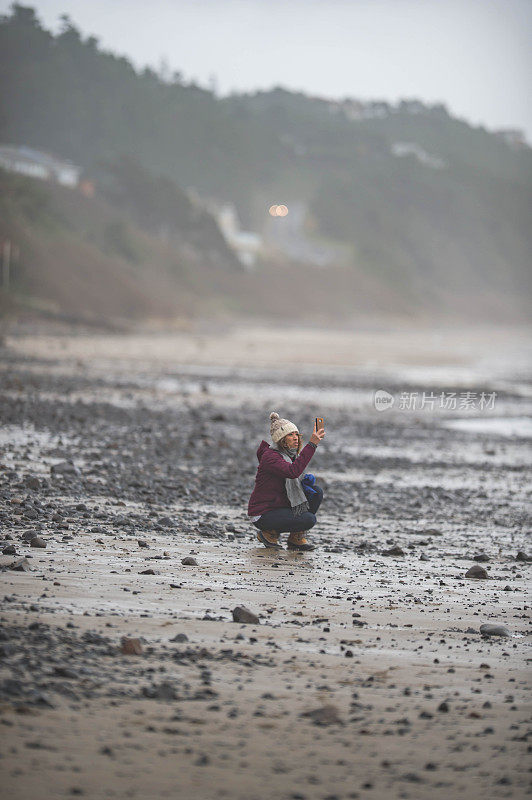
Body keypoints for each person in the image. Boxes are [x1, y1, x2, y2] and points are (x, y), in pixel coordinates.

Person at [248, 411, 325, 551]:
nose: (296, 438)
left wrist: (304, 484)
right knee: (309, 519)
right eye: (291, 435)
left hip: (279, 506)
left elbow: (293, 475)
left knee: (316, 492)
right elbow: (292, 472)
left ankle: (295, 538)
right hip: (263, 513)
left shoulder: (290, 456)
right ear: (281, 439)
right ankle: (269, 533)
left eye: (297, 434)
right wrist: (312, 444)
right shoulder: (271, 457)